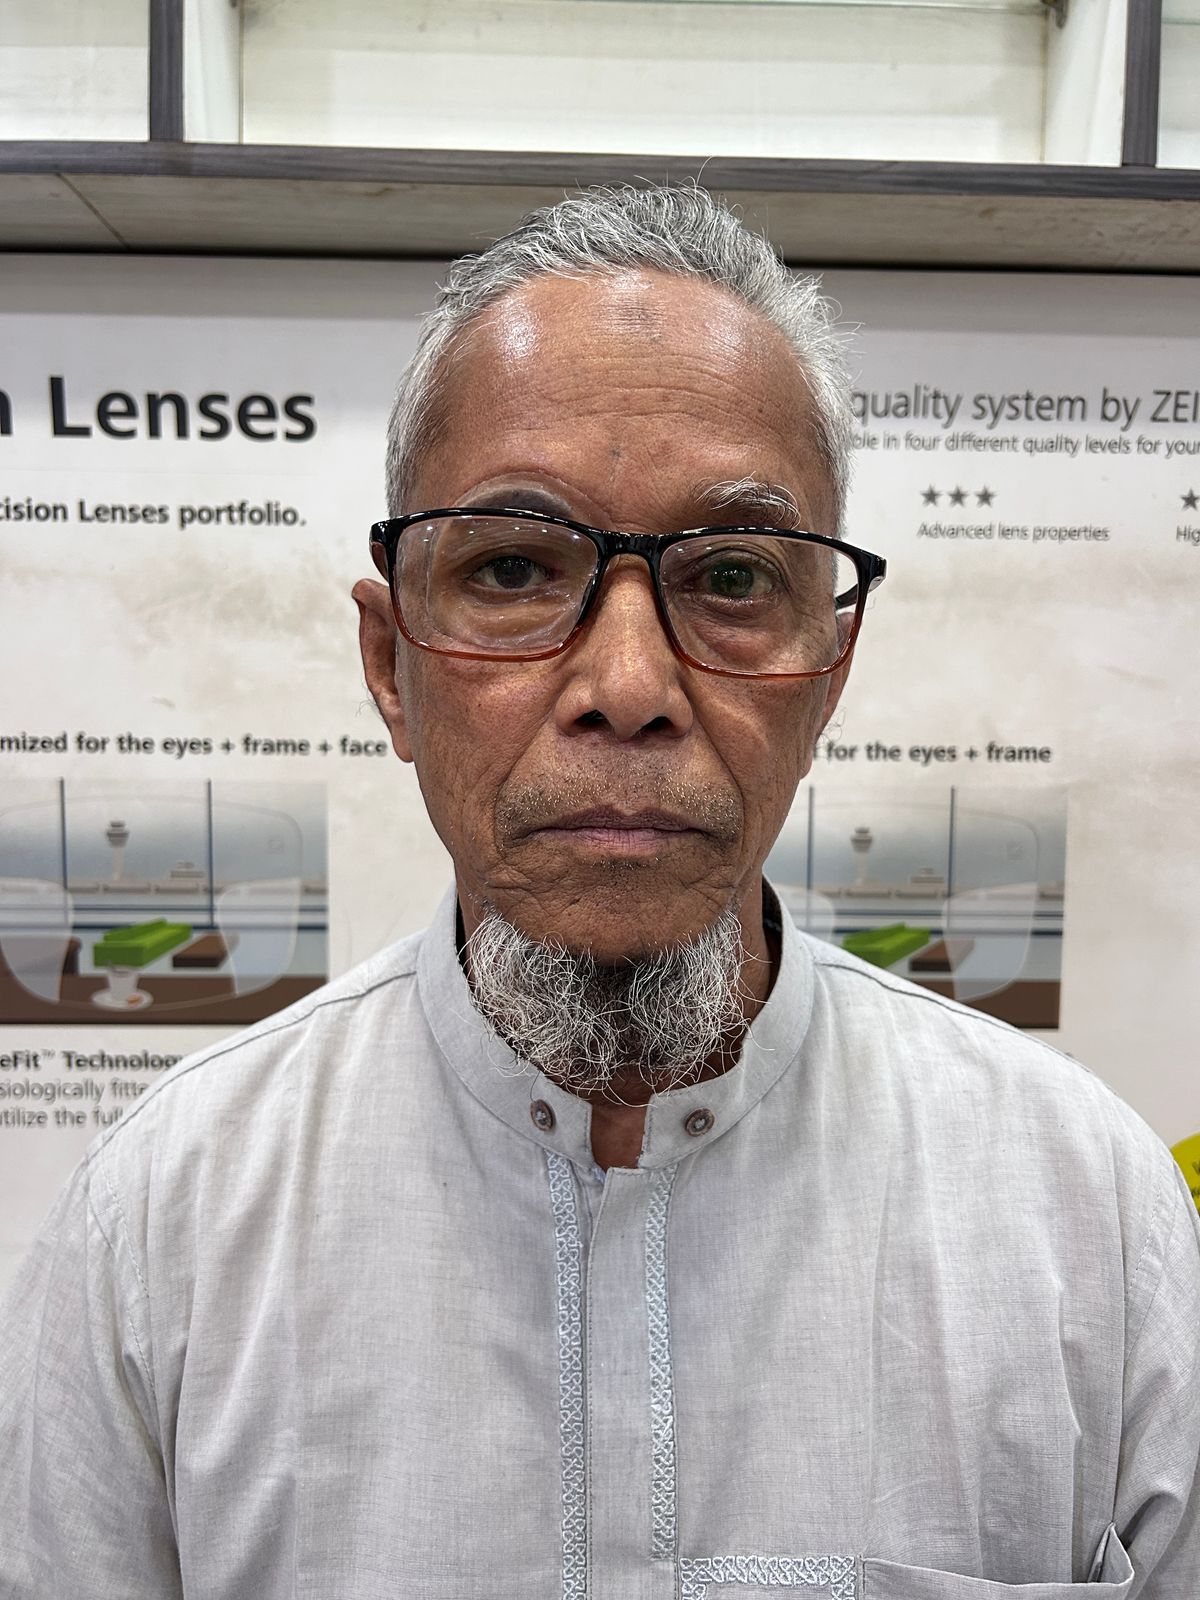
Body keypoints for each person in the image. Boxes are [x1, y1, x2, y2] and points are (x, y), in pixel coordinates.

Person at [1, 185, 1197, 1600]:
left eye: (733, 575)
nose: (628, 688)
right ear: (391, 664)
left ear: (830, 669)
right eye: (514, 566)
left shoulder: (1085, 1213)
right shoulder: (166, 1224)